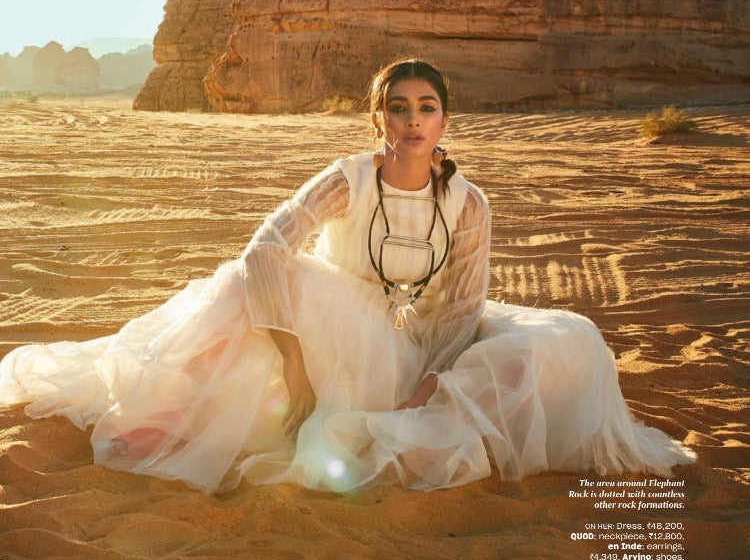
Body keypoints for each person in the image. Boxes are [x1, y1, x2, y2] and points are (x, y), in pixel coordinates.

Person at [0, 58, 695, 494]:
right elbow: (265, 250)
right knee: (245, 285)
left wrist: (431, 381)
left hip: (423, 337)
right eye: (399, 106)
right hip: (343, 325)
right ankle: (166, 411)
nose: (413, 120)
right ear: (377, 116)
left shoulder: (469, 203)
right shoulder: (346, 179)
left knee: (562, 338)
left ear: (446, 119)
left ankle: (439, 423)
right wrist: (296, 364)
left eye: (427, 107)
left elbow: (461, 308)